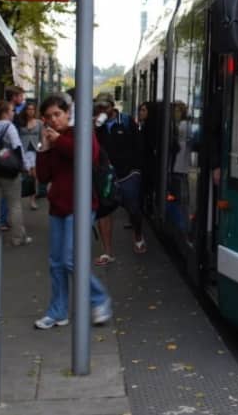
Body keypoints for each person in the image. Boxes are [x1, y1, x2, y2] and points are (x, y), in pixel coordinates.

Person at [34, 93, 112, 329]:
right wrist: (44, 149)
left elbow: (86, 156)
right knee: (56, 262)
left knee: (70, 259)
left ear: (68, 113)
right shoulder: (54, 139)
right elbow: (44, 176)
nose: (54, 120)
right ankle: (58, 311)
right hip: (59, 206)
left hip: (81, 205)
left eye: (57, 114)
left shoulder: (81, 133)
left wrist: (57, 141)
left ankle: (100, 299)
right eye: (48, 117)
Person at [93, 92, 146, 265]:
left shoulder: (126, 121)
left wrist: (136, 168)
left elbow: (139, 144)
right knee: (104, 211)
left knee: (133, 207)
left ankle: (138, 235)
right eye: (99, 107)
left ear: (112, 106)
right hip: (105, 174)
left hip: (127, 173)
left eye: (105, 107)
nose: (102, 110)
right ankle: (107, 252)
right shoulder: (96, 125)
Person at [0, 101, 31, 246]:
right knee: (14, 205)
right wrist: (25, 165)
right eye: (12, 111)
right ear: (5, 113)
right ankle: (18, 237)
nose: (13, 113)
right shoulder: (9, 127)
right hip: (9, 171)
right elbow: (17, 147)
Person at [17, 101, 43, 209]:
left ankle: (32, 200)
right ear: (25, 110)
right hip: (23, 151)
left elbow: (42, 138)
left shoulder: (39, 123)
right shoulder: (20, 122)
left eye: (32, 109)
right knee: (22, 175)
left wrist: (42, 148)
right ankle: (19, 197)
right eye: (28, 109)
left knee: (34, 176)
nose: (30, 111)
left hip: (35, 151)